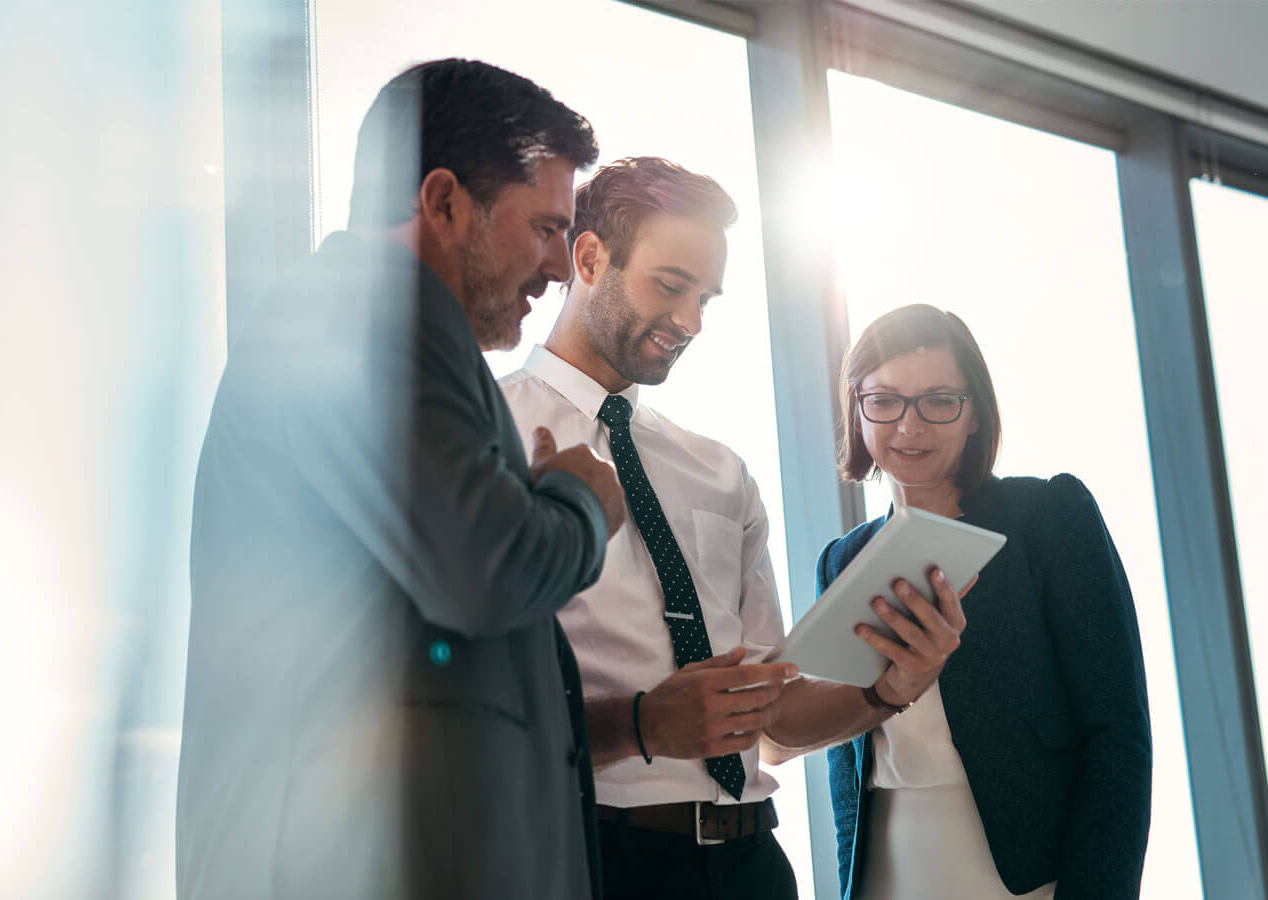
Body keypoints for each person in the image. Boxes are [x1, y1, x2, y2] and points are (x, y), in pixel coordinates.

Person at [177, 59, 625, 900]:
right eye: (543, 228)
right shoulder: (363, 312)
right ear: (445, 200)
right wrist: (578, 502)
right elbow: (487, 569)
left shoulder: (386, 325)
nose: (562, 267)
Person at [498, 158, 966, 900]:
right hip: (598, 859)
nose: (690, 322)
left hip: (753, 864)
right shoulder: (490, 437)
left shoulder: (718, 471)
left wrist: (890, 690)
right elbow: (467, 712)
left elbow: (774, 720)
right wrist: (641, 725)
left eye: (706, 298)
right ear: (589, 258)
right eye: (671, 284)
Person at [813, 304, 1152, 899]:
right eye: (885, 400)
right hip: (887, 870)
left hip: (1025, 876)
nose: (909, 427)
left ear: (973, 415)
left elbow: (1118, 735)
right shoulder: (842, 560)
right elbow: (849, 767)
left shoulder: (1047, 518)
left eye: (939, 401)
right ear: (857, 408)